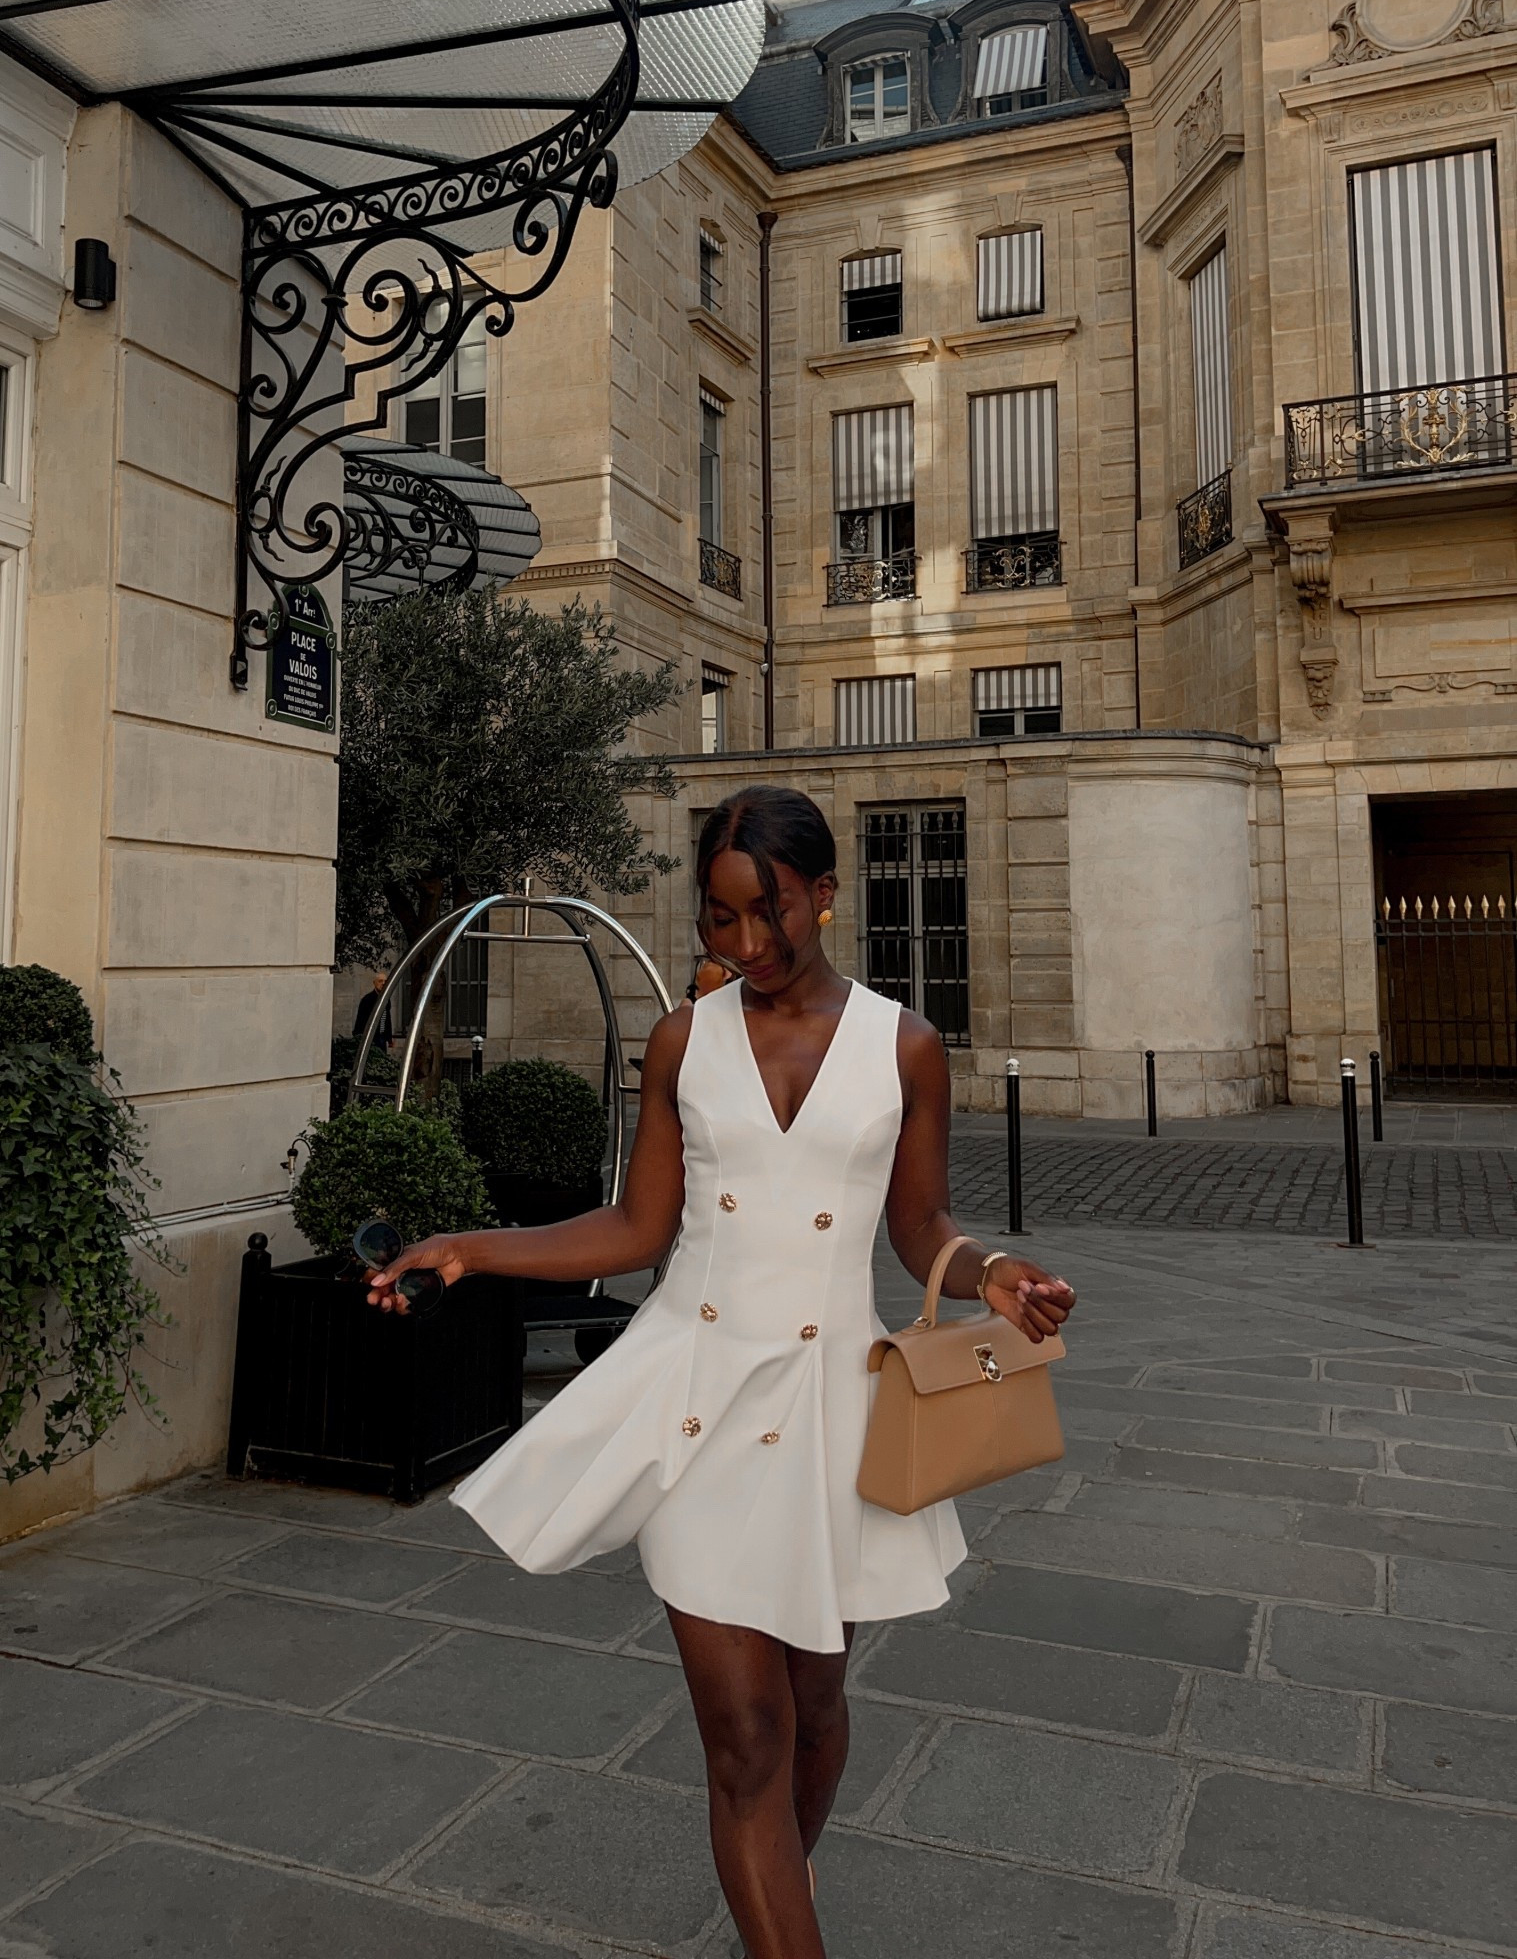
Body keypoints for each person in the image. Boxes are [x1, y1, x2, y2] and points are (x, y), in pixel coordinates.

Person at [368, 786, 1076, 1959]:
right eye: (718, 920)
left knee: (812, 1711)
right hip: (693, 1395)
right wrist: (471, 1246)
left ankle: (772, 1895)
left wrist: (987, 1270)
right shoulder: (680, 1043)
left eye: (770, 915)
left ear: (824, 896)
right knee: (743, 1733)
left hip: (829, 1407)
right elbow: (636, 1228)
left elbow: (916, 1225)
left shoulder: (901, 1044)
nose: (745, 947)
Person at [352, 969, 394, 1051]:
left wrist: (389, 1038)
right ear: (374, 983)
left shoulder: (386, 999)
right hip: (371, 1038)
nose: (383, 983)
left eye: (385, 981)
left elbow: (387, 1019)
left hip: (382, 1037)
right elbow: (361, 1020)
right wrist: (359, 1037)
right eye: (380, 981)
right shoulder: (367, 999)